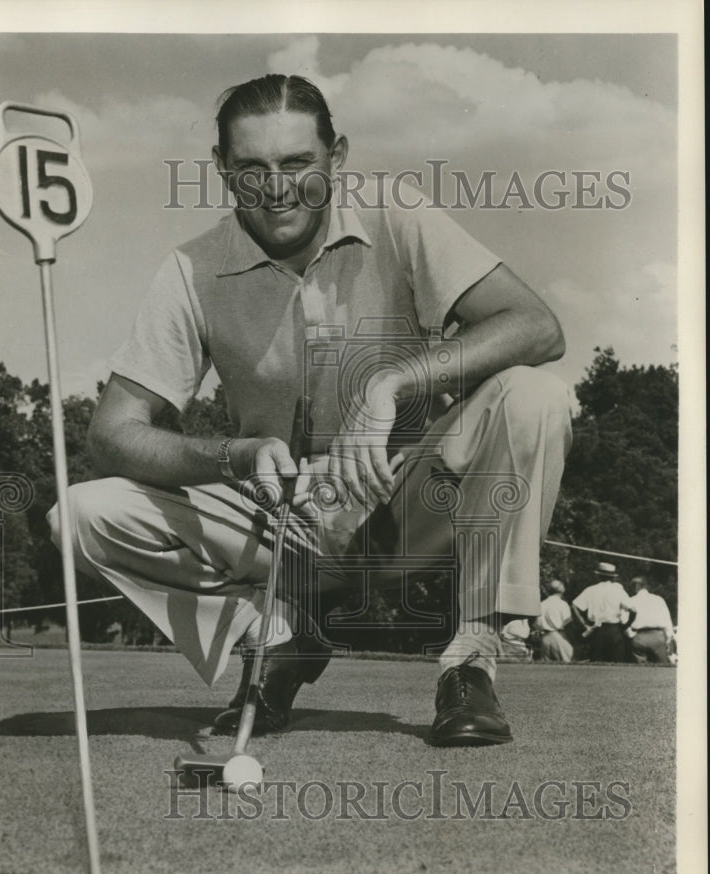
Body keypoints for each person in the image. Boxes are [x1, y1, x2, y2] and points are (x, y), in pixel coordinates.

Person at [50, 74, 572, 747]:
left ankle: (470, 661)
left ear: (337, 156)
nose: (276, 188)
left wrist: (390, 386)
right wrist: (230, 456)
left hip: (410, 510)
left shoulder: (398, 215)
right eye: (251, 169)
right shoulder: (189, 269)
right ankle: (272, 637)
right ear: (220, 171)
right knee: (82, 515)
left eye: (297, 163)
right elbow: (113, 433)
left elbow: (536, 326)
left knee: (534, 395)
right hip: (282, 530)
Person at [572, 562, 631, 662]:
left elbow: (574, 606)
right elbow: (632, 609)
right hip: (615, 630)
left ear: (598, 576)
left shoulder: (591, 590)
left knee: (596, 665)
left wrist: (584, 625)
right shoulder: (618, 590)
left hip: (597, 630)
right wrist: (626, 625)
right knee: (616, 664)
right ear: (613, 577)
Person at [621, 576, 675, 664]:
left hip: (638, 636)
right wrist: (669, 639)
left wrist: (630, 635)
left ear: (636, 586)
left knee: (639, 670)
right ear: (646, 586)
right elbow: (667, 621)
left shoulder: (630, 601)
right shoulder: (659, 600)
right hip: (658, 637)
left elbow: (623, 621)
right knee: (661, 668)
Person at [535, 579, 574, 662]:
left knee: (546, 667)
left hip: (545, 638)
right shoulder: (562, 604)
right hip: (559, 635)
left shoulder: (542, 604)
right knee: (565, 664)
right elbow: (568, 622)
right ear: (561, 589)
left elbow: (537, 623)